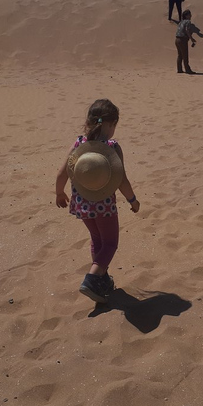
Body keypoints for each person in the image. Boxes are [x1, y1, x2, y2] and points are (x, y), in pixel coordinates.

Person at [55, 99, 140, 303]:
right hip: (105, 207)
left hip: (82, 205)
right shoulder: (111, 147)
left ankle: (101, 279)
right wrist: (133, 200)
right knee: (110, 243)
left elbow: (62, 172)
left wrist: (59, 193)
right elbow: (121, 180)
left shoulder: (78, 144)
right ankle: (92, 279)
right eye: (114, 126)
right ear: (110, 124)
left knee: (97, 240)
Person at [175, 9, 203, 74]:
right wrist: (191, 38)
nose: (191, 16)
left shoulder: (181, 22)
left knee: (180, 55)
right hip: (182, 39)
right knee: (185, 55)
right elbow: (187, 30)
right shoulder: (188, 22)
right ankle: (188, 70)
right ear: (186, 15)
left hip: (177, 39)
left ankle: (179, 69)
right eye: (189, 14)